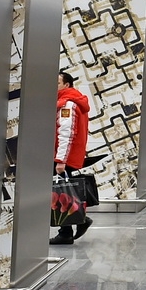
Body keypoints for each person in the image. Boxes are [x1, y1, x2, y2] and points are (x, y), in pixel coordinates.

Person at [52, 71, 92, 245]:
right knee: (63, 192)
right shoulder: (73, 100)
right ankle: (77, 223)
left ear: (66, 85)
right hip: (68, 155)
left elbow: (66, 134)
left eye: (57, 83)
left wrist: (61, 161)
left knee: (61, 193)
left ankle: (67, 231)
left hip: (64, 157)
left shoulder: (67, 104)